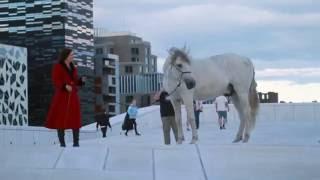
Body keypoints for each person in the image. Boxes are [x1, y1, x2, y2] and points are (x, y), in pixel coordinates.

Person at [45, 48, 86, 147]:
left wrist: (81, 81)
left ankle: (76, 142)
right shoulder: (58, 66)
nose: (73, 56)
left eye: (73, 55)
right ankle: (62, 143)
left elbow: (75, 80)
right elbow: (56, 80)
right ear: (66, 56)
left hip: (73, 97)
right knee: (60, 118)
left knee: (75, 119)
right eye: (71, 55)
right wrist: (64, 86)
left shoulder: (73, 67)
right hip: (62, 97)